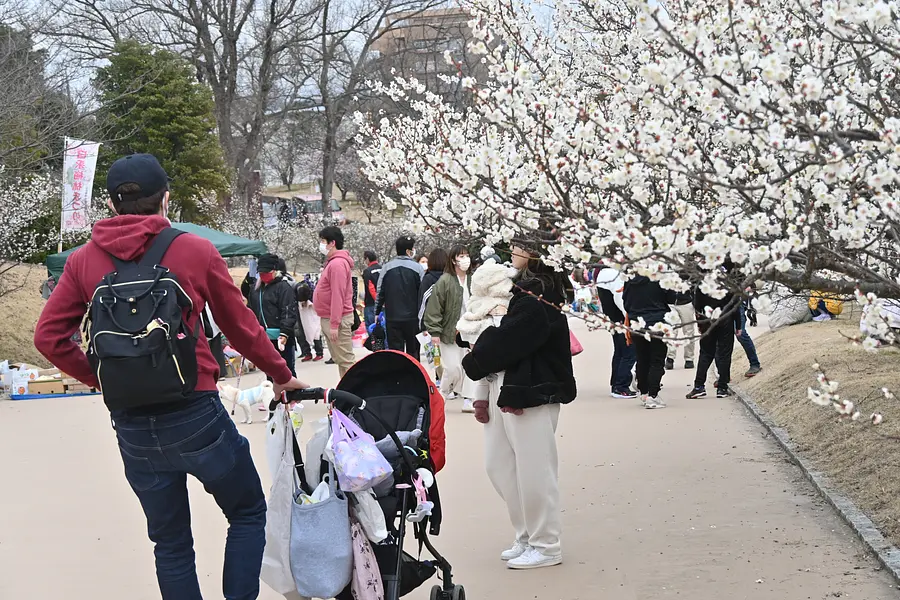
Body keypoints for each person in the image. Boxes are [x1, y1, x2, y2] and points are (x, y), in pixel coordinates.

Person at [33, 153, 307, 600]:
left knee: (171, 541)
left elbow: (48, 337)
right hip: (195, 410)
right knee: (246, 511)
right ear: (166, 198)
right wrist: (281, 374)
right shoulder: (194, 249)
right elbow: (240, 325)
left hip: (132, 423)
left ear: (112, 203)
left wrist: (102, 378)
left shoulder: (83, 262)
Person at [462, 244, 576, 570]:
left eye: (521, 244)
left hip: (531, 391)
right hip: (505, 386)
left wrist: (475, 359)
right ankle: (527, 533)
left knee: (534, 470)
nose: (513, 249)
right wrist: (481, 390)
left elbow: (508, 339)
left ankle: (545, 543)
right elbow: (493, 335)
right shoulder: (518, 290)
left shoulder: (541, 292)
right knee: (498, 465)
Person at [424, 246, 478, 412]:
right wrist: (434, 331)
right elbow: (434, 307)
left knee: (471, 366)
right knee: (453, 367)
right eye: (461, 256)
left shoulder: (473, 280)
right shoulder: (445, 281)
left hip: (471, 331)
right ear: (454, 260)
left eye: (467, 255)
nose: (465, 259)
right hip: (450, 332)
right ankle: (443, 392)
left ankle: (469, 399)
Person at [623, 275, 676, 409]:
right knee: (657, 359)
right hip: (657, 320)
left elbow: (626, 302)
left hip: (637, 321)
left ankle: (644, 392)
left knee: (642, 358)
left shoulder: (630, 278)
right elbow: (671, 298)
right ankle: (653, 395)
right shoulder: (660, 276)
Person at [686, 282, 743, 399]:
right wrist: (738, 325)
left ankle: (699, 385)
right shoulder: (727, 282)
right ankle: (722, 387)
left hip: (708, 319)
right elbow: (736, 304)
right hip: (726, 318)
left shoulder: (702, 283)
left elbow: (697, 305)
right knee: (725, 353)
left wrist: (700, 322)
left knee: (705, 353)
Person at [247, 253, 299, 378]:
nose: (264, 275)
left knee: (287, 370)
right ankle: (274, 396)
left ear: (275, 271)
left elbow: (288, 311)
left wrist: (285, 332)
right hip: (264, 337)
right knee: (270, 371)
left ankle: (292, 396)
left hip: (282, 337)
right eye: (261, 273)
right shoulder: (256, 289)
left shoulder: (283, 287)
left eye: (267, 272)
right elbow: (251, 310)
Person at [315, 226, 356, 377]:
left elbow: (338, 295)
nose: (321, 244)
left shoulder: (337, 264)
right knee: (341, 360)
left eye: (323, 241)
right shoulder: (332, 263)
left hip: (337, 319)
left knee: (346, 361)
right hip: (329, 317)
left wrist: (334, 323)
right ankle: (346, 393)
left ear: (332, 243)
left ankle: (356, 394)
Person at [375, 235, 425, 357]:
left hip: (393, 317)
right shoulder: (418, 268)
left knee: (396, 354)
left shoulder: (386, 267)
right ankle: (413, 375)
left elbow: (380, 291)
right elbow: (422, 293)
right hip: (413, 318)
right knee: (413, 352)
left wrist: (377, 311)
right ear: (408, 251)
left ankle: (398, 375)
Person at [594, 266, 636, 399]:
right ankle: (621, 386)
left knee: (619, 352)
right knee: (628, 353)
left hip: (611, 318)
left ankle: (616, 384)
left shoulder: (602, 273)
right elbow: (620, 298)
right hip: (621, 320)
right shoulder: (614, 274)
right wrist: (629, 317)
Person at [665, 288, 695, 371]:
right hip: (670, 303)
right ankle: (670, 357)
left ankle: (689, 358)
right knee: (672, 331)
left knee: (689, 331)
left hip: (686, 302)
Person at [294, 279, 324, 362]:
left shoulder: (313, 292)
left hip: (313, 315)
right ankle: (307, 353)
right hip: (302, 315)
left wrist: (309, 303)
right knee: (302, 332)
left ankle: (319, 352)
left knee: (316, 332)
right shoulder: (295, 290)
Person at [361, 250, 382, 328]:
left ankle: (373, 340)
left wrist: (377, 301)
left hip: (371, 304)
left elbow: (371, 288)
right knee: (382, 327)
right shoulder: (382, 268)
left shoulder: (367, 271)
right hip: (384, 304)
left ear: (367, 259)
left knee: (371, 327)